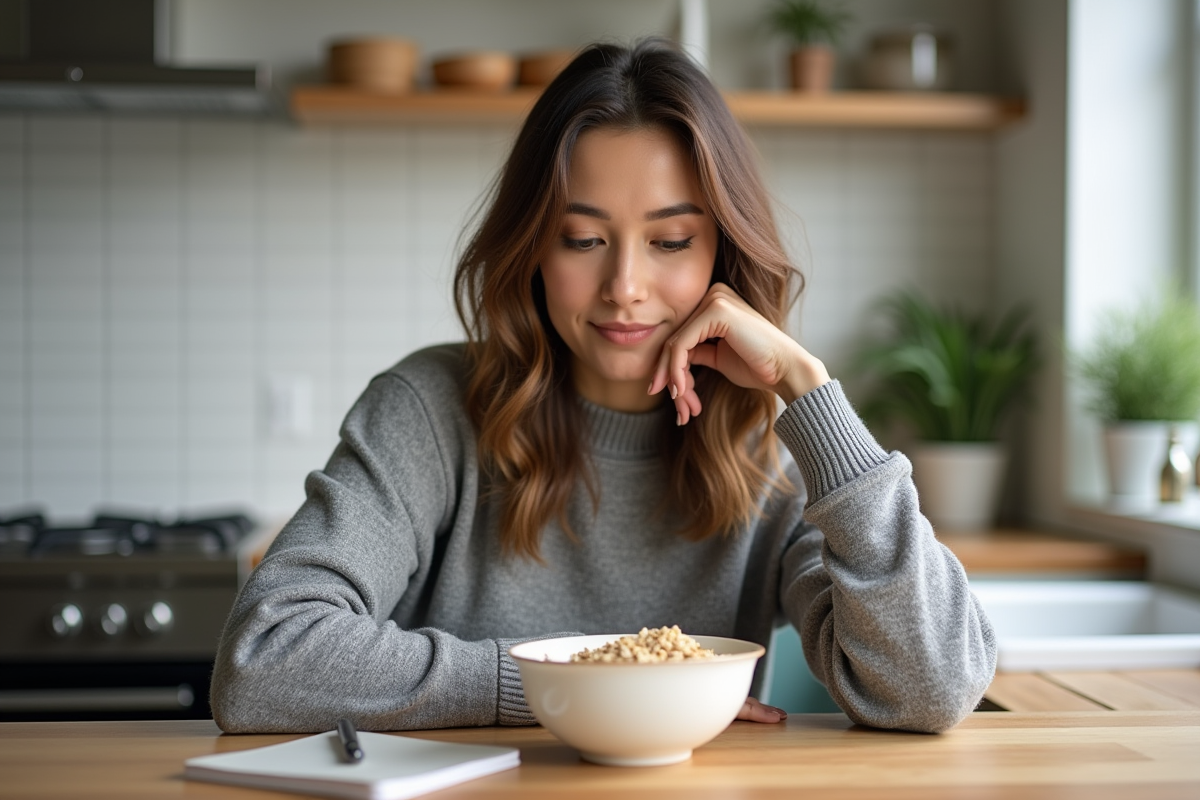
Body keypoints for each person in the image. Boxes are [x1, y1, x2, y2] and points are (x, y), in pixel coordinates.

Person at [210, 40, 995, 735]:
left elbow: (932, 691)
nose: (624, 286)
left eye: (671, 241)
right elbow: (264, 660)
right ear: (533, 250)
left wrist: (809, 389)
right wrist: (564, 690)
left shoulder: (776, 452)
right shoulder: (427, 409)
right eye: (583, 239)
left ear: (722, 254)